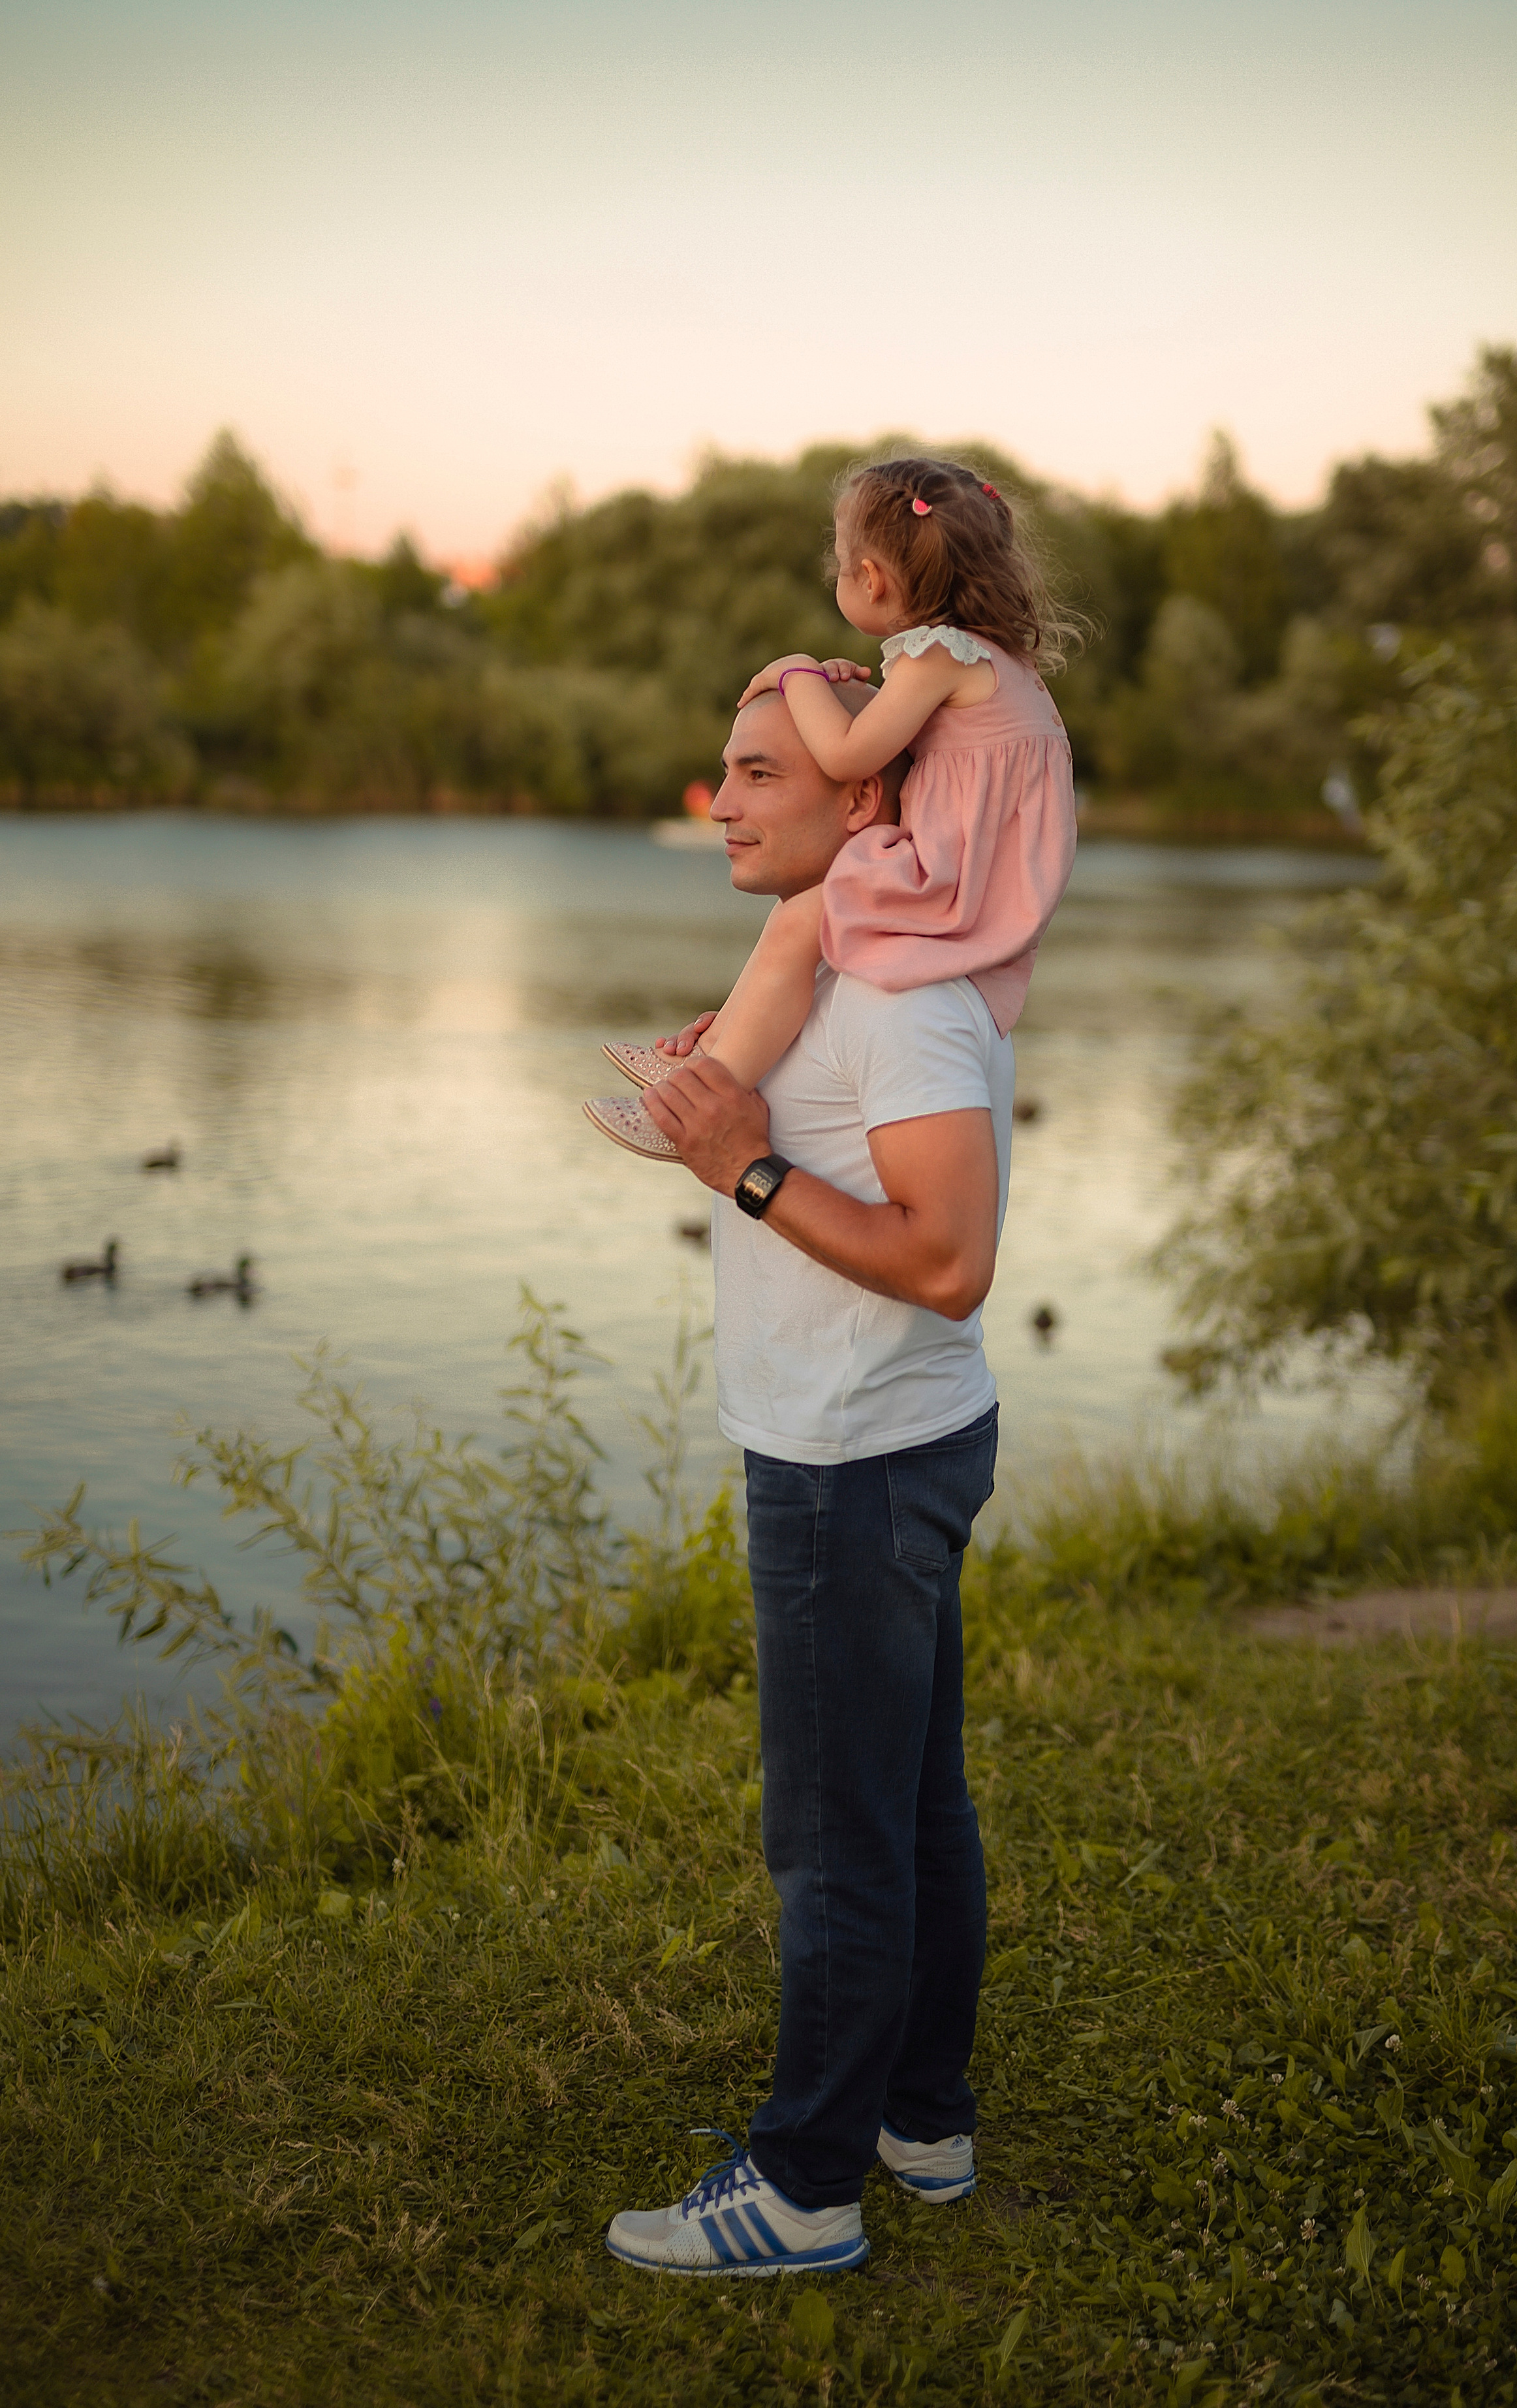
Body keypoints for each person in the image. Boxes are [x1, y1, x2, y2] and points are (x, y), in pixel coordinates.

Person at [604, 676, 1015, 2277]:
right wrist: (725, 1101)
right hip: (878, 1437)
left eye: (757, 772)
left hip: (856, 1457)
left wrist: (746, 1166)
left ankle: (803, 2186)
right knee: (907, 1802)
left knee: (835, 1831)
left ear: (862, 798)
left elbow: (952, 1258)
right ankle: (919, 2115)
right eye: (722, 770)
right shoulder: (840, 963)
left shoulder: (898, 995)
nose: (720, 800)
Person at [582, 454, 1077, 1161]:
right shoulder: (990, 661)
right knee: (805, 925)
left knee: (799, 921)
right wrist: (829, 686)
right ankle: (716, 1052)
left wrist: (795, 671)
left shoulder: (938, 658)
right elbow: (896, 744)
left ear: (870, 578)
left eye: (841, 566)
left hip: (954, 874)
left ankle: (697, 1099)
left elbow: (847, 757)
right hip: (983, 871)